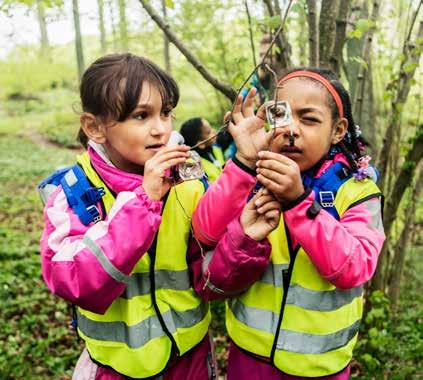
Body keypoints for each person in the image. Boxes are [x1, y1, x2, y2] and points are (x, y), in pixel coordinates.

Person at [192, 68, 386, 379]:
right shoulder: (254, 175)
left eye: (309, 119)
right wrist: (243, 164)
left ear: (338, 130)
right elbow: (204, 232)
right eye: (281, 115)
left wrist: (298, 203)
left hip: (320, 367)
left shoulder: (358, 191)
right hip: (248, 358)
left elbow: (356, 267)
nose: (291, 130)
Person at [39, 53, 218, 379]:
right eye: (141, 115)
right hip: (117, 369)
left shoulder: (186, 180)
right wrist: (143, 201)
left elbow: (210, 272)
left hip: (190, 360)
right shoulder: (75, 193)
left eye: (166, 113)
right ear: (94, 127)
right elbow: (74, 281)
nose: (161, 129)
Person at [180, 117, 225, 183]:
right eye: (209, 132)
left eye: (211, 127)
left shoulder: (216, 149)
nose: (214, 131)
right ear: (201, 144)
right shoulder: (194, 167)